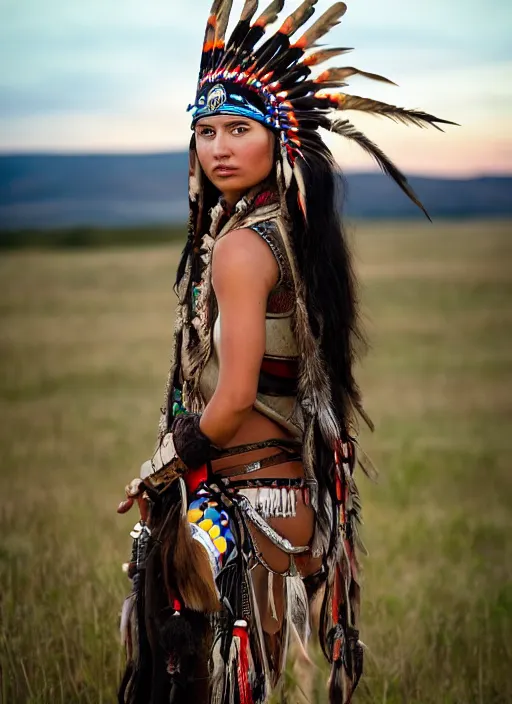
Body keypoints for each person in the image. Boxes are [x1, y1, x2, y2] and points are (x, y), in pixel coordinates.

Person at [117, 2, 454, 703]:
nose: (218, 148)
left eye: (240, 129)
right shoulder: (291, 235)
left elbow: (235, 396)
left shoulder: (241, 248)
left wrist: (160, 469)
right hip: (294, 505)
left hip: (238, 509)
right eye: (205, 131)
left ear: (279, 141)